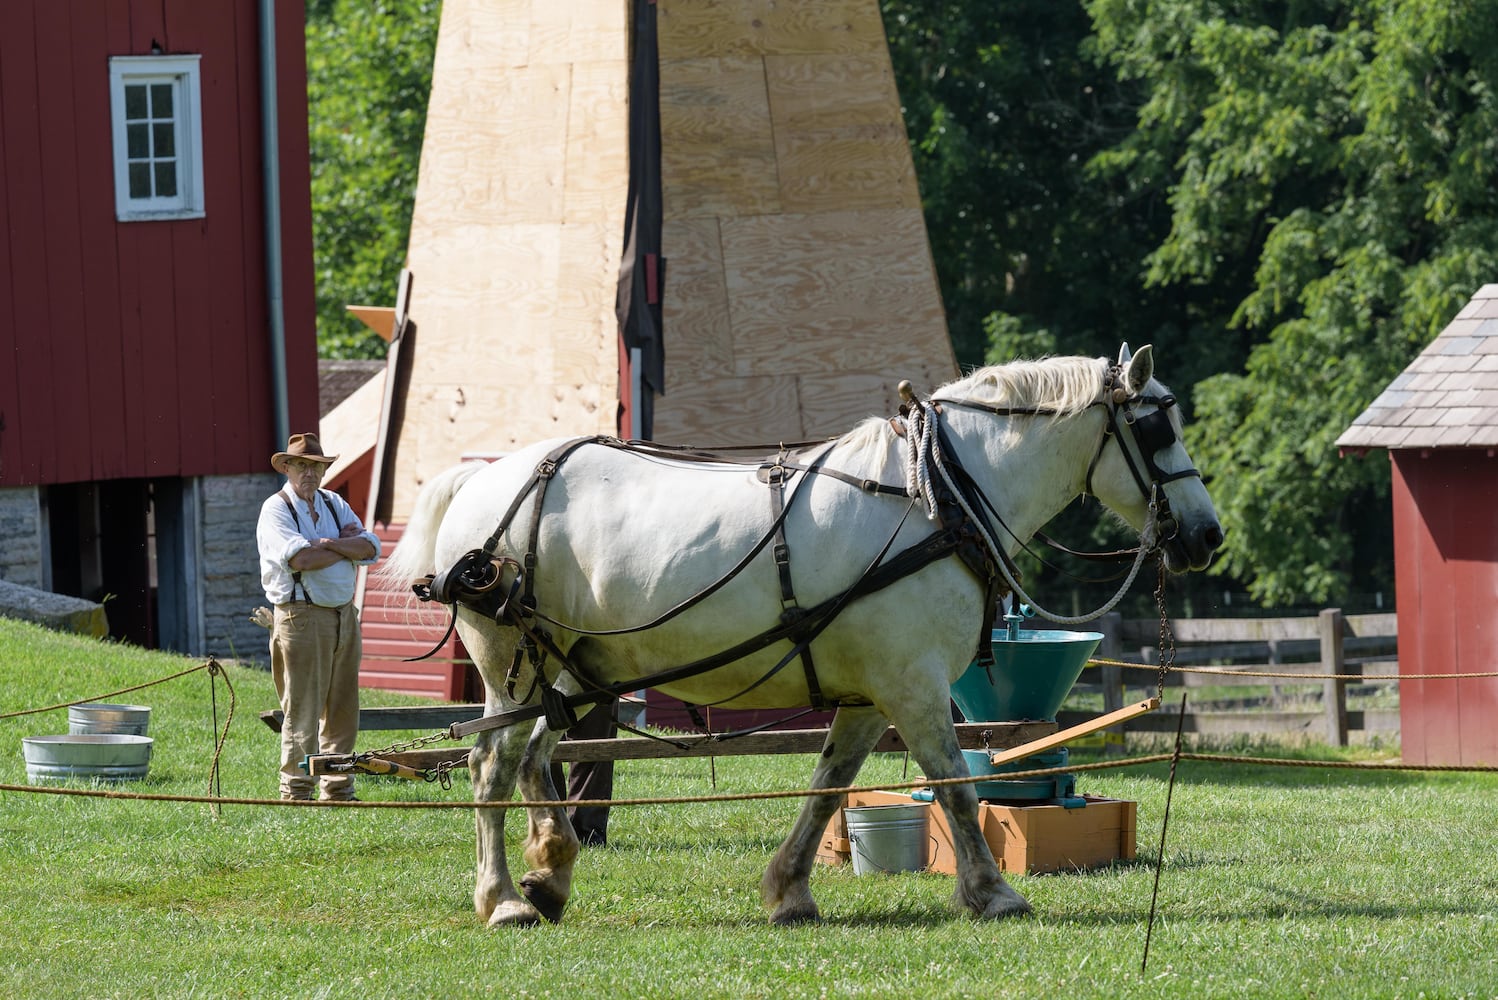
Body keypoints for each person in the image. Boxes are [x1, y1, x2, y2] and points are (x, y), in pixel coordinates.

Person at [256, 432, 380, 801]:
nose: (309, 472)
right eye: (302, 465)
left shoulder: (333, 503)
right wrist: (345, 549)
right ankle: (296, 791)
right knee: (303, 709)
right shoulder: (276, 508)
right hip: (301, 617)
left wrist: (330, 545)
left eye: (316, 466)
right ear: (288, 468)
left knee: (344, 708)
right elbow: (300, 559)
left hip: (344, 615)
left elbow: (370, 547)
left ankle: (338, 788)